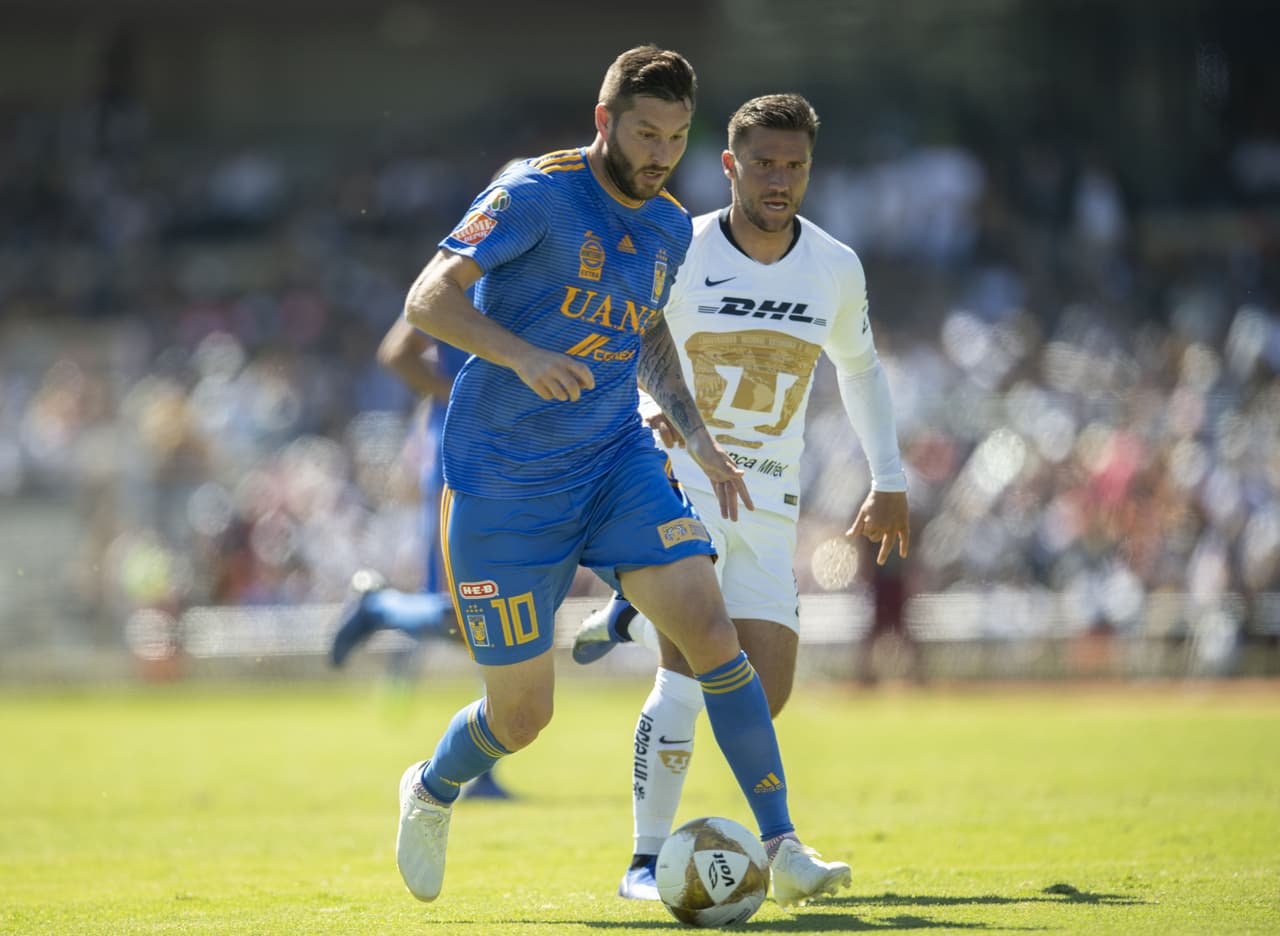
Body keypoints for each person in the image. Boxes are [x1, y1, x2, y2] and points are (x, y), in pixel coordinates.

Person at [392, 45, 850, 908]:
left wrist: (699, 441)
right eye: (645, 134)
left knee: (710, 628)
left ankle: (783, 843)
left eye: (676, 138)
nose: (660, 155)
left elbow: (645, 333)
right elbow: (426, 299)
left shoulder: (669, 226)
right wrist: (523, 355)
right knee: (521, 717)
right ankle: (432, 786)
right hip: (503, 484)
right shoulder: (534, 193)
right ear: (604, 121)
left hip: (612, 461)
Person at [569, 92, 911, 900]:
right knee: (691, 673)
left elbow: (859, 368)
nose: (779, 179)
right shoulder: (677, 247)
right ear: (729, 165)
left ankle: (630, 612)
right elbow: (623, 341)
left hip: (767, 501)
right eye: (763, 164)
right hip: (678, 479)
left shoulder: (834, 265)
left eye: (794, 165)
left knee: (766, 690)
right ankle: (655, 860)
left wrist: (889, 479)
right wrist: (642, 411)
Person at [328, 314, 512, 800]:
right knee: (478, 618)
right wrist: (461, 396)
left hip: (512, 460)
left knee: (504, 617)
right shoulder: (459, 277)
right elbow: (397, 352)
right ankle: (379, 607)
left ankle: (380, 608)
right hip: (462, 464)